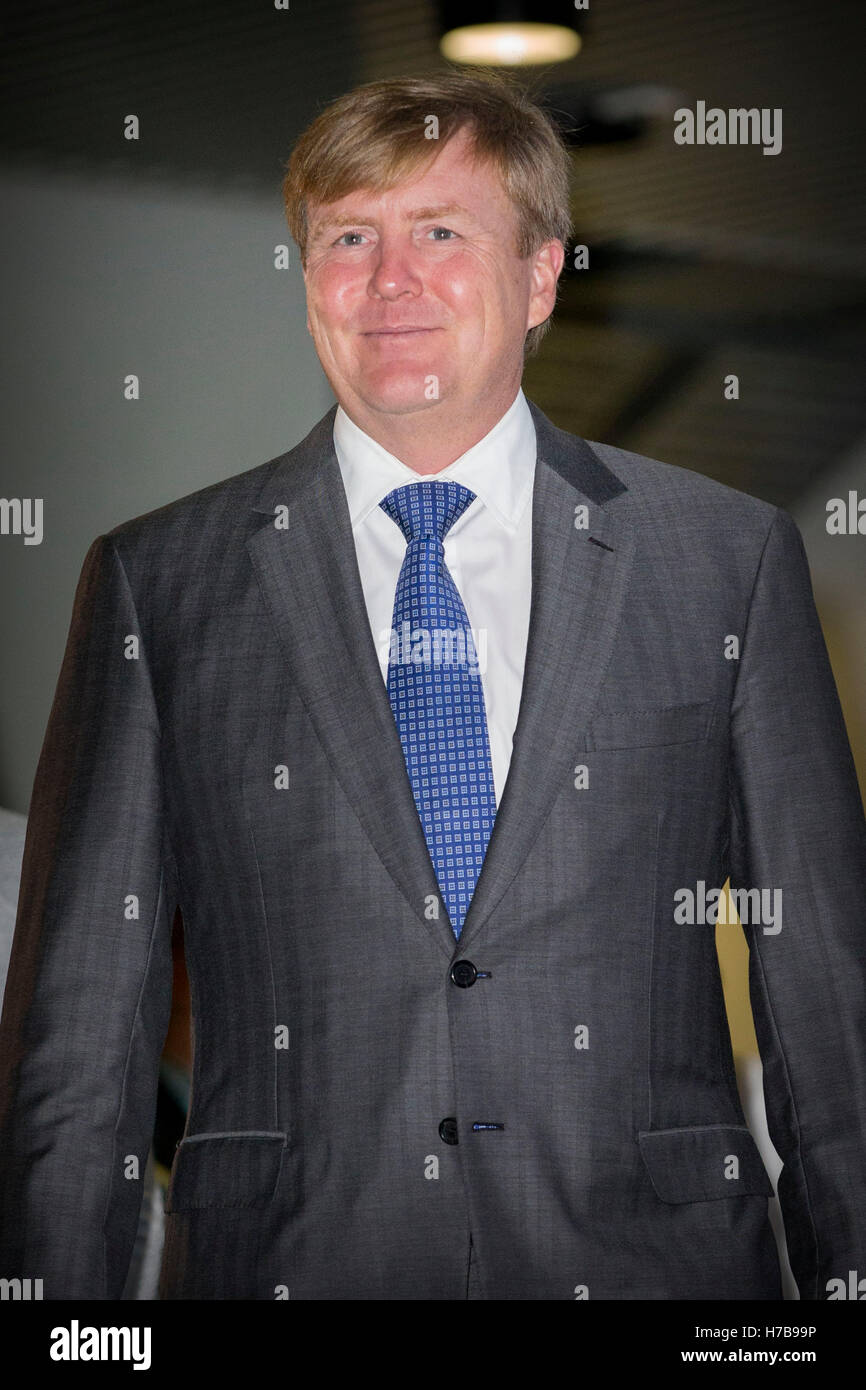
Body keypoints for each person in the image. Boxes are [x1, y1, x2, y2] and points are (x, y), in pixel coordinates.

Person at [1, 68, 864, 1302]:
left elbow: (829, 990)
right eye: (348, 237)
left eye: (440, 233)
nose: (387, 280)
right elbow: (77, 1031)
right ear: (308, 280)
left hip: (655, 1273)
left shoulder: (722, 559)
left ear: (539, 276)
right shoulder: (157, 580)